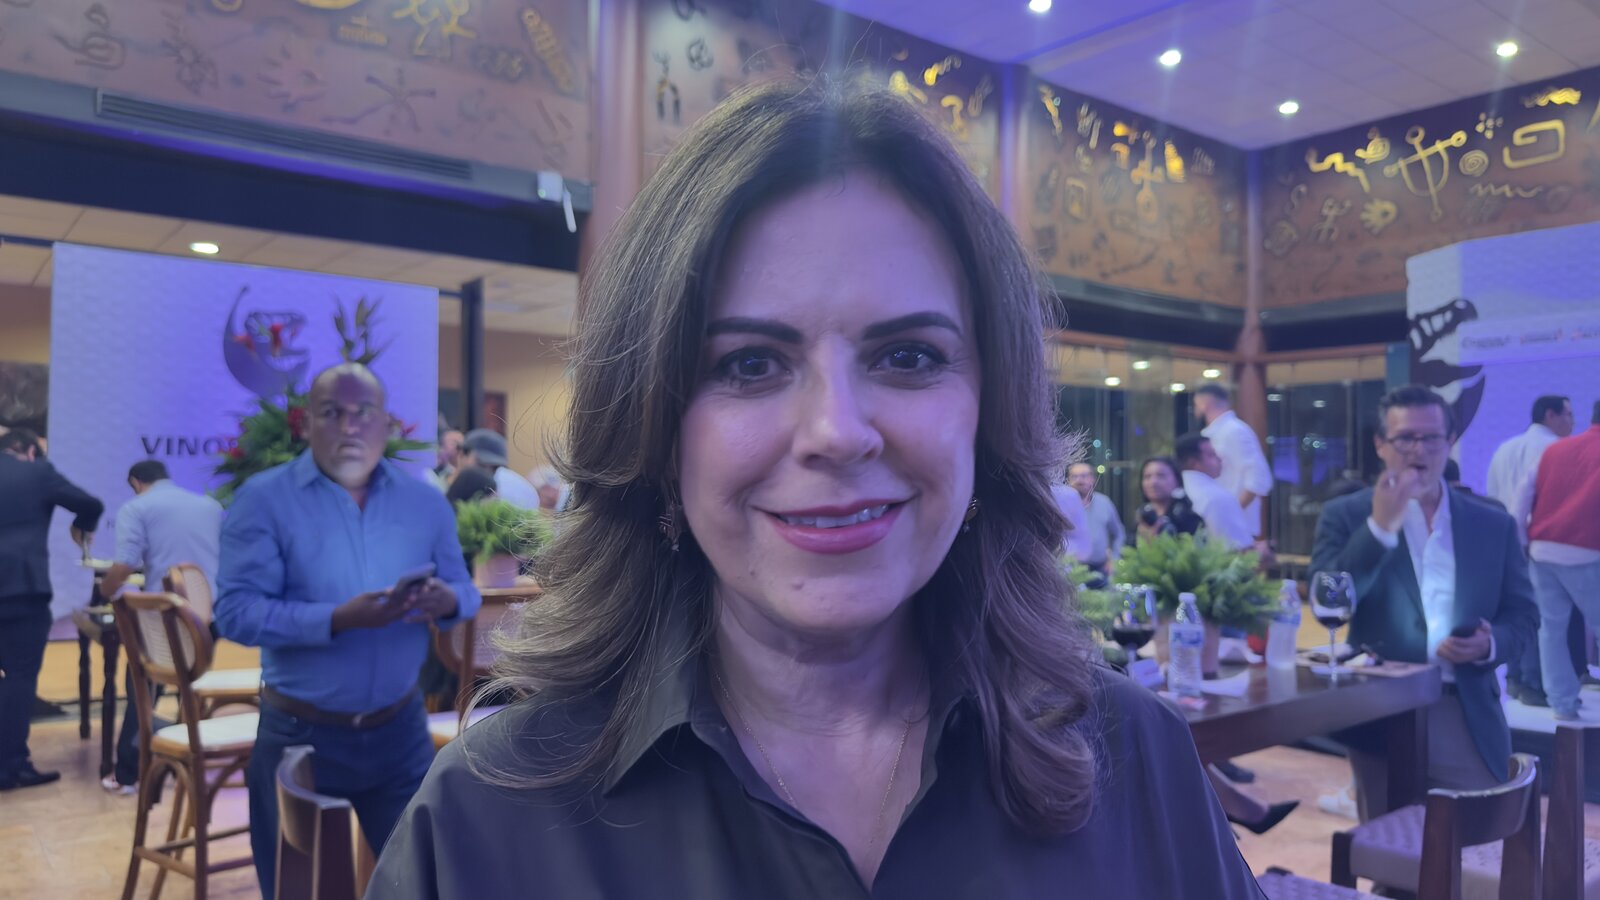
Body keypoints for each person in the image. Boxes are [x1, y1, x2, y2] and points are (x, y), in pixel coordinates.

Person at [369, 81, 1262, 898]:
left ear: (988, 414)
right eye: (750, 364)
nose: (836, 431)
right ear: (656, 434)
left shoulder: (1135, 757)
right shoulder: (485, 820)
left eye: (907, 355)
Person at [216, 363, 482, 898]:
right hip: (301, 737)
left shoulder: (425, 503)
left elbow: (465, 589)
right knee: (300, 891)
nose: (349, 426)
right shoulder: (264, 500)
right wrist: (338, 619)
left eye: (364, 413)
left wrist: (448, 600)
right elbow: (236, 613)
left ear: (387, 423)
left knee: (425, 885)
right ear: (305, 423)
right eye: (331, 412)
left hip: (400, 731)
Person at [1311, 384, 1538, 821]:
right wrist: (1380, 528)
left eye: (1431, 437)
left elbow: (1524, 616)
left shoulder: (1492, 522)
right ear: (1381, 445)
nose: (1418, 449)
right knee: (1389, 846)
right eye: (1405, 438)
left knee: (1477, 838)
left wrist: (1489, 644)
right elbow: (1328, 604)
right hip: (1382, 712)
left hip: (1462, 706)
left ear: (1449, 442)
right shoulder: (1346, 515)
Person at [98, 460, 223, 795]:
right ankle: (187, 764)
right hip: (208, 615)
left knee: (142, 692)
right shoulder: (210, 506)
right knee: (191, 691)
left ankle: (129, 774)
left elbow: (125, 564)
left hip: (165, 617)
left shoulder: (137, 507)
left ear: (135, 482)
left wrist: (105, 590)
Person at [0, 427, 104, 791]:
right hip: (20, 590)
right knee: (19, 676)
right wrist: (82, 529)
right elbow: (91, 505)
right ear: (30, 451)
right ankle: (11, 765)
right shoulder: (36, 472)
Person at [1489, 395, 1582, 706]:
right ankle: (1535, 683)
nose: (1573, 422)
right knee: (1541, 616)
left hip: (1505, 539)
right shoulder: (1556, 450)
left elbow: (1493, 497)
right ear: (1550, 415)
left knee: (1514, 609)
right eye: (1568, 414)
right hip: (1537, 542)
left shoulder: (1504, 449)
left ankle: (1515, 679)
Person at [1523, 399, 1600, 721]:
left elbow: (1522, 497)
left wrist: (1521, 544)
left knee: (1551, 630)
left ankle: (1562, 704)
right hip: (1588, 551)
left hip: (1542, 549)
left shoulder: (1554, 450)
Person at [1194, 384, 1273, 538]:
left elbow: (1259, 479)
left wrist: (1231, 513)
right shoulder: (1213, 433)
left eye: (1196, 405)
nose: (1196, 410)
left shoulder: (1235, 431)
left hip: (1235, 529)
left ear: (1204, 404)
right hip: (1215, 526)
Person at [1175, 433, 1256, 550]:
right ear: (1193, 463)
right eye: (1211, 455)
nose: (1220, 459)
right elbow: (1241, 549)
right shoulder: (1218, 497)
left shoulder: (1173, 491)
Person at [458, 428, 541, 510]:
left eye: (495, 467)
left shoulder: (514, 492)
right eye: (481, 465)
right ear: (462, 455)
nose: (487, 471)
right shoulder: (452, 486)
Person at [1066, 461, 1124, 576]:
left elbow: (1119, 533)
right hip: (1070, 572)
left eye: (1084, 476)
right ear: (1068, 480)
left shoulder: (1104, 503)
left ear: (1092, 479)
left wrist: (1115, 559)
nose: (1079, 480)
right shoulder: (1061, 505)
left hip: (1101, 571)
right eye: (1074, 476)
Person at [1134, 456, 1202, 541]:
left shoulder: (1189, 519)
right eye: (1147, 477)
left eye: (1161, 476)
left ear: (1177, 481)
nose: (1153, 482)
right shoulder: (1142, 519)